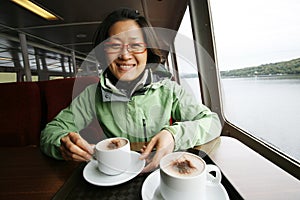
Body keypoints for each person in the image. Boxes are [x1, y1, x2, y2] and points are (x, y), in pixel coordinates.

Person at [40, 8, 222, 173]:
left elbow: (212, 122)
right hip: (116, 174)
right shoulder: (91, 94)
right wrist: (62, 144)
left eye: (135, 45)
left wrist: (174, 135)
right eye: (114, 45)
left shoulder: (170, 90)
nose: (125, 55)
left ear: (147, 51)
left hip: (163, 171)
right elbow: (51, 131)